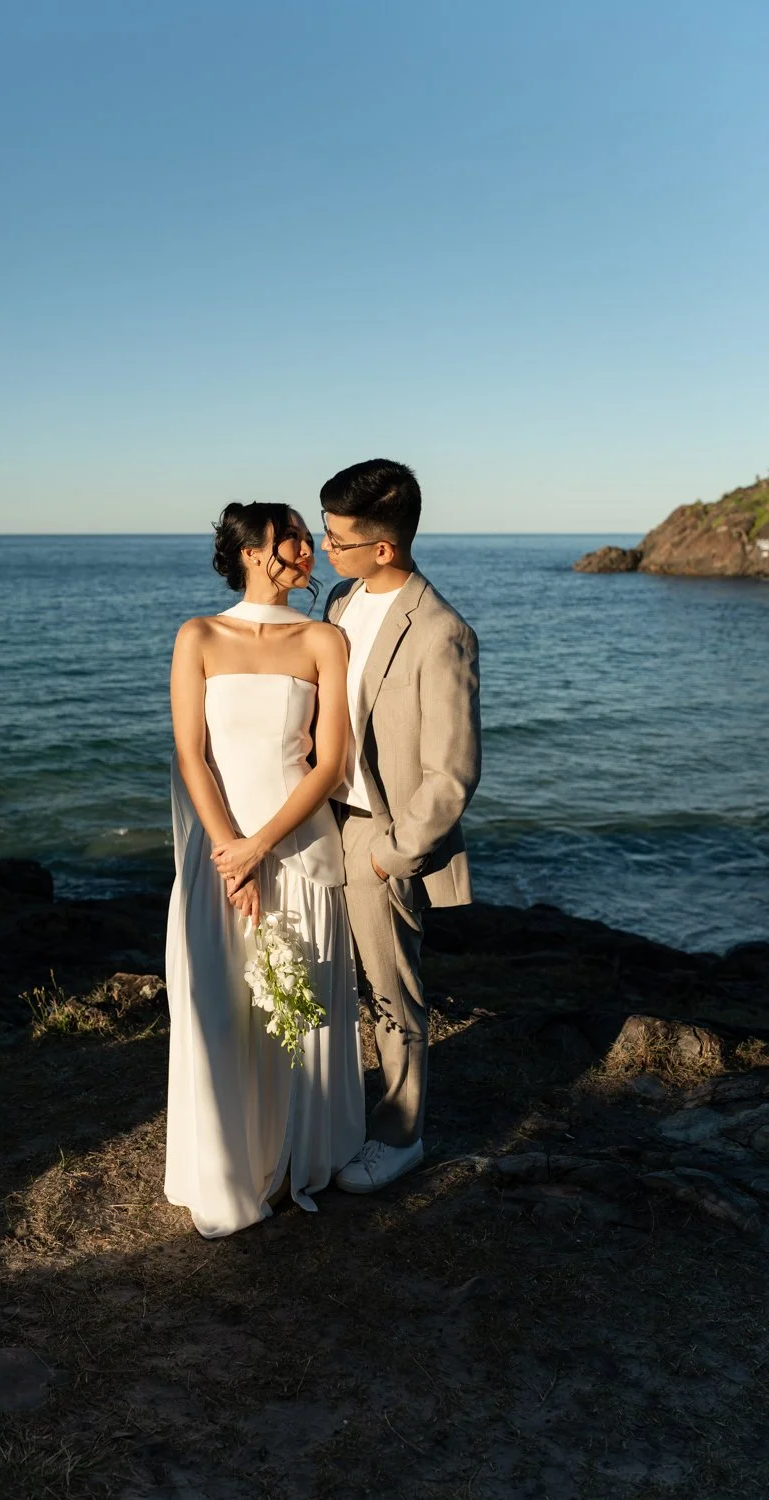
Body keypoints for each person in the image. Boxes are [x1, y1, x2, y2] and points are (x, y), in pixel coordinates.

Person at [164, 502, 365, 1237]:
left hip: (297, 844)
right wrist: (228, 852)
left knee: (297, 1007)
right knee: (222, 1008)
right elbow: (192, 754)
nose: (311, 549)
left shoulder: (325, 638)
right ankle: (228, 1163)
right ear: (252, 553)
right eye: (294, 540)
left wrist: (261, 847)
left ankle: (293, 1156)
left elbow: (330, 760)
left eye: (310, 539)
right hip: (219, 853)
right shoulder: (200, 636)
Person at [320, 459, 481, 1193]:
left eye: (338, 539)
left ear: (384, 547)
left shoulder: (441, 631)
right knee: (325, 982)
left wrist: (390, 857)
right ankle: (328, 1115)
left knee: (392, 992)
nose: (324, 550)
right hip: (319, 822)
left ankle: (402, 1132)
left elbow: (452, 773)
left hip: (376, 839)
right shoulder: (338, 601)